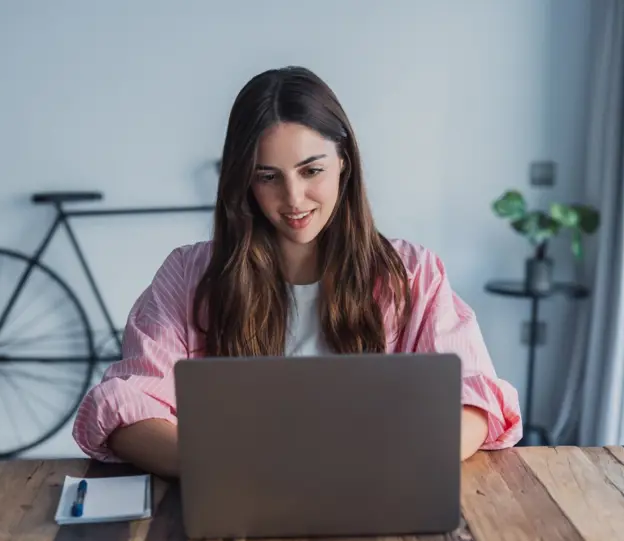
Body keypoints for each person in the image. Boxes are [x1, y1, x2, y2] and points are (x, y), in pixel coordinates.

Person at [71, 66, 523, 477]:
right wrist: (232, 471)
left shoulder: (411, 274)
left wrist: (396, 463)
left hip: (375, 496)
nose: (293, 199)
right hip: (239, 503)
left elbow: (475, 401)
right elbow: (126, 407)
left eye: (311, 171)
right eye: (267, 176)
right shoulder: (188, 277)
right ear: (244, 180)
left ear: (343, 160)